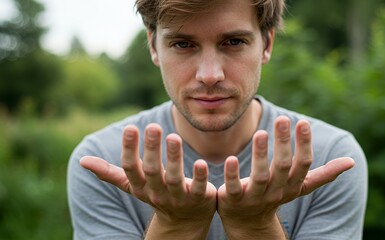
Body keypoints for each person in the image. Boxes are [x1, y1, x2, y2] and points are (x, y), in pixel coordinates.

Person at [67, 0, 368, 239]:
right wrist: (176, 226)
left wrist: (255, 226)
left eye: (234, 42)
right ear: (153, 47)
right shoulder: (103, 162)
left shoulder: (328, 158)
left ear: (267, 44)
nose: (210, 75)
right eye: (183, 44)